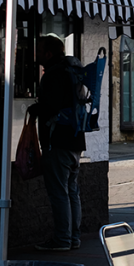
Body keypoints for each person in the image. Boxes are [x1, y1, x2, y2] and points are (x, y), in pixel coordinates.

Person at [32, 34, 84, 251]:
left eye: (39, 51)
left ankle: (62, 239)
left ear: (49, 53)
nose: (36, 55)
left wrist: (36, 108)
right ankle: (73, 238)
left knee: (59, 193)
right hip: (75, 140)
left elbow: (50, 106)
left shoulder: (53, 75)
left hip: (57, 141)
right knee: (72, 191)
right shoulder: (71, 71)